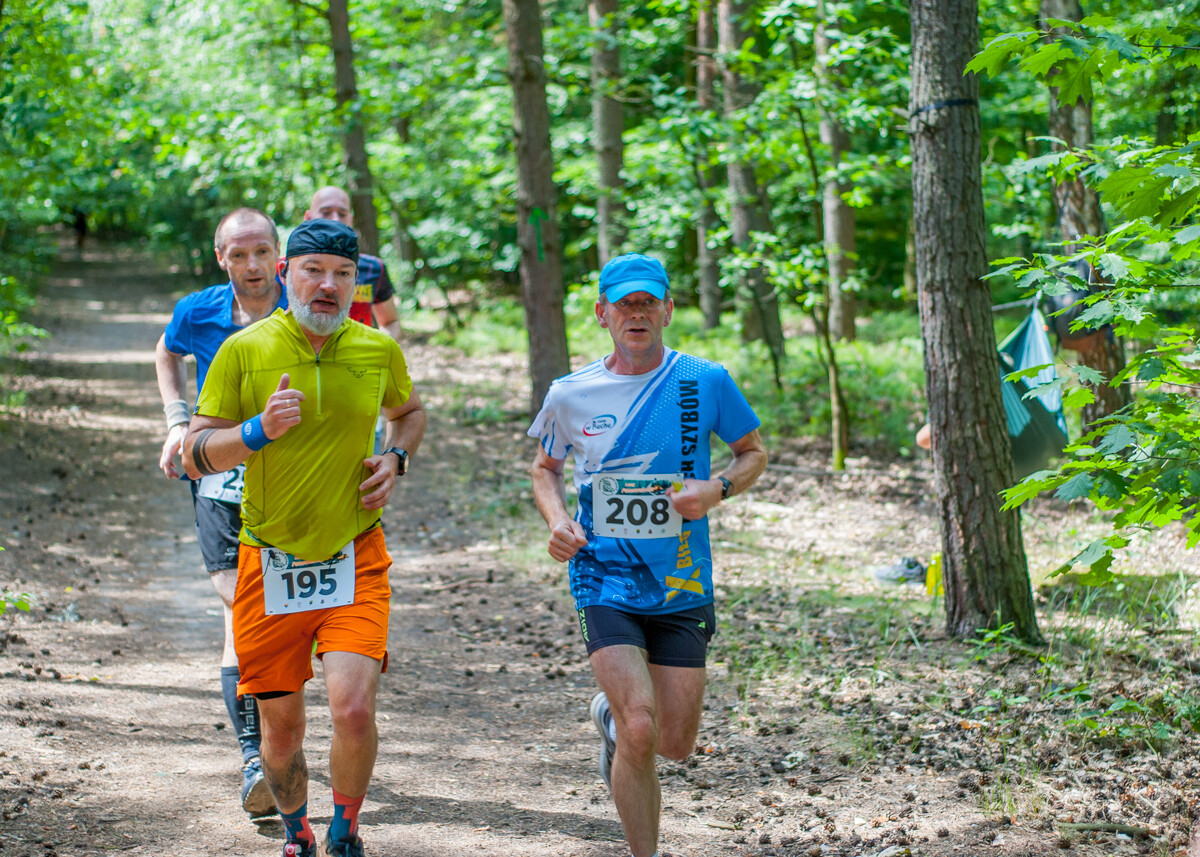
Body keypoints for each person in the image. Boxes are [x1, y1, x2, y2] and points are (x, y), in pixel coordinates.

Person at [183, 219, 426, 857]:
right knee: (282, 729)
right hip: (270, 560)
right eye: (314, 271)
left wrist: (396, 459)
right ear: (288, 273)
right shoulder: (246, 350)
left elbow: (409, 413)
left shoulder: (378, 350)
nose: (328, 286)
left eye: (342, 275)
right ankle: (298, 834)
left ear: (356, 284)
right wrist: (257, 432)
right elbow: (196, 454)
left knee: (352, 709)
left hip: (356, 553)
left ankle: (345, 833)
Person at [528, 253, 767, 857]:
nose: (638, 313)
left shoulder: (704, 380)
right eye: (625, 304)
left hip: (682, 578)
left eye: (648, 302)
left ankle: (607, 721)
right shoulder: (570, 393)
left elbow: (753, 452)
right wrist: (558, 522)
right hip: (603, 576)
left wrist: (718, 488)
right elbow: (545, 469)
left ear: (667, 309)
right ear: (603, 313)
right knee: (641, 724)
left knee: (675, 742)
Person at [154, 207, 287, 819]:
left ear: (277, 255)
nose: (252, 266)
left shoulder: (305, 303)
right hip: (219, 474)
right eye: (239, 255)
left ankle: (281, 745)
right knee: (242, 607)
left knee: (285, 614)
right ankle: (256, 758)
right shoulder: (198, 310)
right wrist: (177, 423)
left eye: (262, 252)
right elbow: (166, 352)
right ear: (221, 259)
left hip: (291, 477)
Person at [303, 186, 401, 343]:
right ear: (308, 218)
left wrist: (378, 350)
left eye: (342, 214)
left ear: (350, 220)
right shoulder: (289, 268)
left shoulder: (372, 268)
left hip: (357, 365)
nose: (335, 220)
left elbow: (390, 322)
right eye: (326, 212)